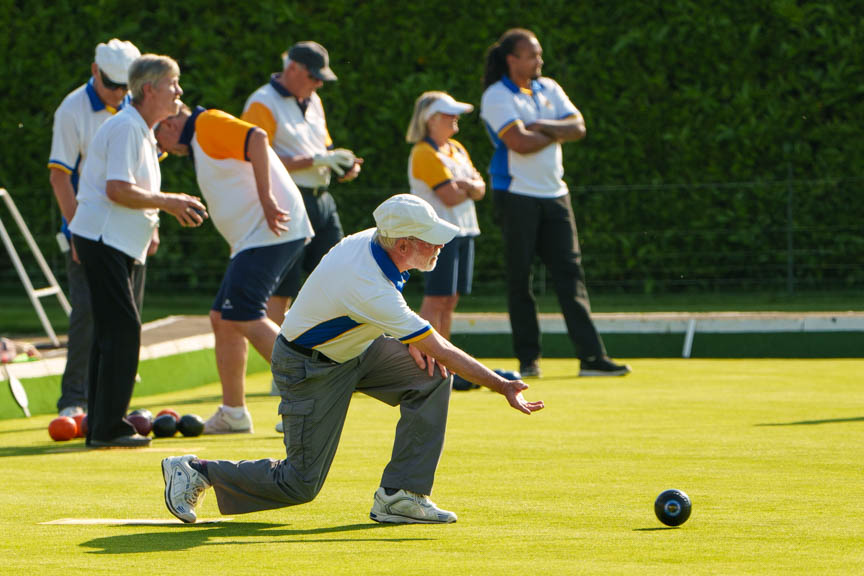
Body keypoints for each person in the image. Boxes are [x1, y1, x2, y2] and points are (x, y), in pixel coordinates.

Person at [160, 194, 544, 524]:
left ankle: (401, 496)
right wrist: (502, 385)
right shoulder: (367, 283)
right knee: (299, 483)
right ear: (404, 245)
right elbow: (438, 346)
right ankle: (197, 471)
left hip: (359, 348)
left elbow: (397, 320)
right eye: (430, 240)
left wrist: (408, 337)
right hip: (309, 366)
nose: (440, 246)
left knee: (429, 377)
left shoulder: (378, 242)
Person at [69, 55, 207, 448]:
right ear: (149, 89)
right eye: (172, 84)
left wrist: (153, 224)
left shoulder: (141, 130)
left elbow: (131, 187)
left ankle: (101, 425)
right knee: (122, 331)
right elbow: (117, 189)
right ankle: (109, 427)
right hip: (103, 240)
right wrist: (170, 202)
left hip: (116, 242)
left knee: (111, 333)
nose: (179, 91)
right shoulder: (128, 127)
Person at [480, 28, 630, 378]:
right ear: (512, 59)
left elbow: (578, 127)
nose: (540, 60)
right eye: (532, 54)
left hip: (555, 195)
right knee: (520, 279)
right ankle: (528, 360)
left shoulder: (550, 88)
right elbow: (519, 143)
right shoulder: (496, 95)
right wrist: (556, 130)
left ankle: (592, 358)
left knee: (571, 276)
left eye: (539, 53)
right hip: (515, 195)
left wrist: (540, 126)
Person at [155, 104, 314, 434]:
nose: (165, 151)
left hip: (270, 231)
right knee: (223, 318)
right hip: (255, 238)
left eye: (160, 142)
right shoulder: (201, 137)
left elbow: (257, 138)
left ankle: (311, 397)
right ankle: (234, 414)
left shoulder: (207, 123)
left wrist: (267, 199)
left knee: (244, 315)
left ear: (168, 124)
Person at [47, 39, 146, 419]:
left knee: (128, 316)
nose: (119, 93)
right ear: (94, 71)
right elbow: (60, 176)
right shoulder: (72, 110)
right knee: (87, 313)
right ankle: (73, 399)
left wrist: (151, 225)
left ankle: (114, 401)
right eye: (112, 84)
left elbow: (144, 171)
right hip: (89, 230)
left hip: (130, 230)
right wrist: (77, 232)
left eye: (126, 86)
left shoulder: (136, 106)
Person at [242, 41, 363, 325]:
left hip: (322, 199)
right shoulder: (262, 101)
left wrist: (341, 164)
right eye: (314, 77)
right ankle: (277, 353)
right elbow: (254, 158)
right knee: (282, 288)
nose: (319, 84)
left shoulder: (314, 101)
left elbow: (324, 148)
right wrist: (315, 160)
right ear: (293, 68)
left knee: (338, 276)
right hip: (287, 199)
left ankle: (321, 348)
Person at [406, 92, 485, 340]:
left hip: (464, 231)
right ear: (431, 119)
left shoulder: (457, 148)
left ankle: (443, 357)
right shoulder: (423, 152)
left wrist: (467, 187)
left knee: (450, 300)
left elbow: (481, 188)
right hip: (437, 234)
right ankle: (423, 356)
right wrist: (470, 187)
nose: (455, 118)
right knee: (437, 298)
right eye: (449, 114)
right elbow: (449, 196)